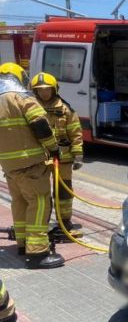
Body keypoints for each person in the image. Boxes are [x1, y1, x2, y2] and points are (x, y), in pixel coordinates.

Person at [0, 62, 64, 269]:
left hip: (9, 167)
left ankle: (23, 244)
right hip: (31, 165)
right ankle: (37, 254)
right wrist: (54, 149)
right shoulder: (22, 98)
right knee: (39, 204)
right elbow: (40, 125)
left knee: (19, 202)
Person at [30, 72, 84, 239]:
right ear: (34, 91)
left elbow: (75, 133)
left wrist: (78, 155)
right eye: (40, 90)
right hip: (39, 159)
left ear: (54, 90)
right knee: (41, 192)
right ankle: (42, 222)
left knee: (64, 192)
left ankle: (64, 222)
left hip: (63, 160)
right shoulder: (30, 108)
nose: (44, 93)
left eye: (47, 89)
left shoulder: (65, 110)